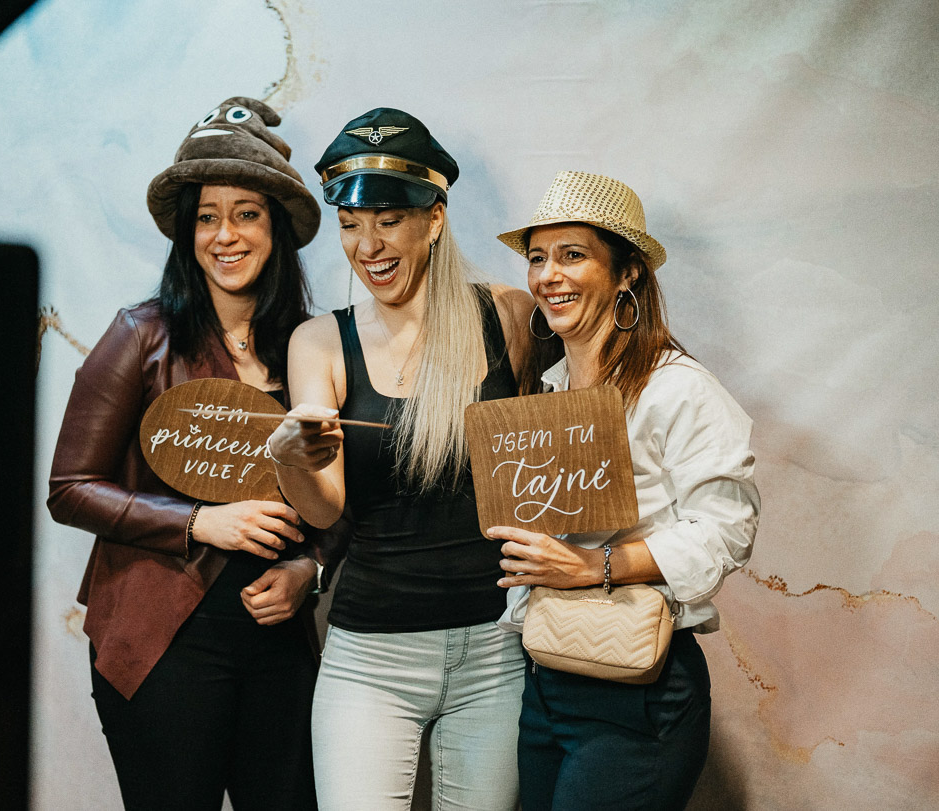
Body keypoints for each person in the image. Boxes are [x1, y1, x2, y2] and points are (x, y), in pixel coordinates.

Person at [47, 97, 324, 811]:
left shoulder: (313, 349)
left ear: (277, 229)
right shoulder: (141, 336)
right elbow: (70, 486)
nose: (224, 235)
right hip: (162, 642)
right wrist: (200, 522)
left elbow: (342, 494)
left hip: (278, 644)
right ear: (186, 231)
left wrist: (311, 567)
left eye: (245, 214)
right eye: (207, 216)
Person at [266, 108, 535, 810]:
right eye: (351, 225)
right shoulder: (319, 343)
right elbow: (326, 506)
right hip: (371, 656)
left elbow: (556, 445)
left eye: (388, 219)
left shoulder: (508, 315)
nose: (367, 245)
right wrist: (293, 460)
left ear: (435, 217)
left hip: (495, 653)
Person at [489, 170, 760, 810]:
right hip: (548, 675)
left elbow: (726, 529)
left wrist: (594, 565)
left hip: (639, 687)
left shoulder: (677, 388)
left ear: (627, 272)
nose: (548, 275)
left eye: (572, 255)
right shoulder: (549, 391)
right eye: (537, 258)